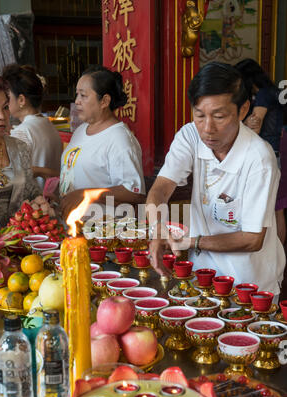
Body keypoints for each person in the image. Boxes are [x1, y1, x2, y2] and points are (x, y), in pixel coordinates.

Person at [146, 62, 285, 298]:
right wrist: (158, 229)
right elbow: (160, 189)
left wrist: (190, 242)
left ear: (243, 111)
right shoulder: (190, 135)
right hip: (201, 276)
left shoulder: (259, 158)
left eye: (219, 116)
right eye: (200, 115)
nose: (208, 128)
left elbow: (252, 239)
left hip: (250, 286)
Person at [59, 65, 146, 220]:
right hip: (74, 227)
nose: (77, 101)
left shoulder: (119, 139)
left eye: (83, 96)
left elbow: (134, 193)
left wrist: (87, 195)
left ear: (104, 101)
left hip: (102, 231)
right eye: (77, 94)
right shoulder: (81, 131)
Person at [235, 58, 286, 244]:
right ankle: (280, 253)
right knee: (277, 208)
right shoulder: (273, 92)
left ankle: (274, 251)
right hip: (277, 152)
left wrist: (242, 125)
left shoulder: (264, 95)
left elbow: (255, 126)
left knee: (270, 208)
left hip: (267, 156)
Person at [0, 72, 40, 227]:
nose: (2, 116)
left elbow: (31, 192)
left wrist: (40, 202)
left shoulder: (19, 148)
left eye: (5, 108)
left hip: (18, 244)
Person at [2, 64, 63, 189]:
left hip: (30, 204)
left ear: (21, 100)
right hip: (49, 201)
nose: (5, 101)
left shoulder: (22, 132)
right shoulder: (48, 124)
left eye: (7, 96)